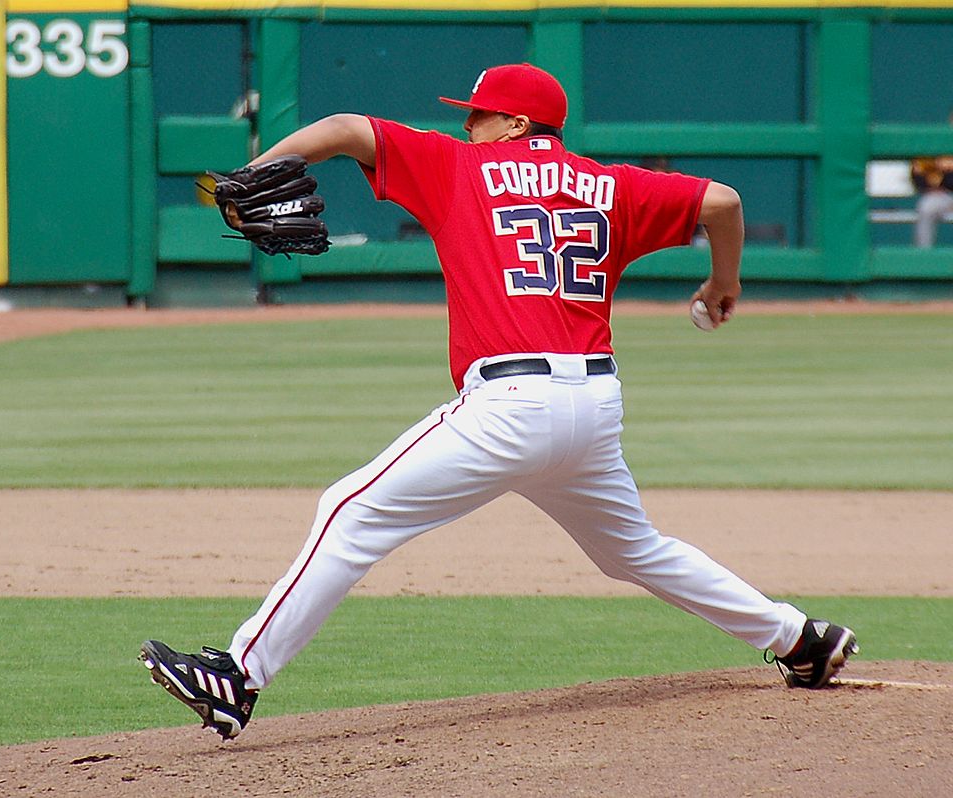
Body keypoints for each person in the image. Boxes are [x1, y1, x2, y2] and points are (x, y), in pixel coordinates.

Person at [139, 63, 858, 740]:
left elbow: (347, 126)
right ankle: (799, 640)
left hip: (512, 404)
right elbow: (723, 202)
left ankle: (237, 676)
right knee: (634, 551)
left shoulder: (460, 169)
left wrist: (258, 170)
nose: (468, 126)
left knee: (350, 511)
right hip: (593, 405)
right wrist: (721, 283)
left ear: (517, 123)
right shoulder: (612, 185)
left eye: (479, 115)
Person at [910, 111, 953, 248]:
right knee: (927, 206)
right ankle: (922, 259)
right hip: (945, 197)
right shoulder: (937, 142)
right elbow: (918, 175)